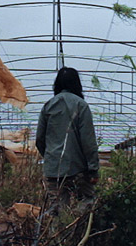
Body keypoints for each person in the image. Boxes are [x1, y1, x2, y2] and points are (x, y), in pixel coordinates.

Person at [35, 67, 100, 213]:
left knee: (57, 210)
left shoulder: (48, 106)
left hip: (54, 169)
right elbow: (88, 141)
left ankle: (58, 234)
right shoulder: (81, 105)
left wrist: (51, 157)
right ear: (77, 84)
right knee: (86, 203)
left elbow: (39, 139)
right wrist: (93, 170)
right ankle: (79, 232)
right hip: (78, 169)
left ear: (57, 84)